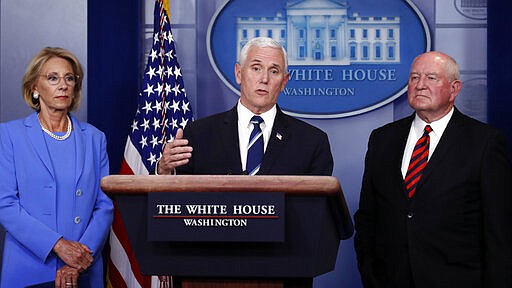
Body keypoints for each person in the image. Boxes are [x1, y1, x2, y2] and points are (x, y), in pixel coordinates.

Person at [354, 51, 512, 288]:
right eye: (414, 78)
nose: (420, 85)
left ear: (454, 89)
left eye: (431, 78)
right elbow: (368, 216)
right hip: (390, 279)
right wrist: (370, 272)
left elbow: (498, 229)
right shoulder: (382, 139)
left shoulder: (484, 142)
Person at [0, 47, 113, 288]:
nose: (63, 85)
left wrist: (77, 261)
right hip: (29, 266)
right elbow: (5, 204)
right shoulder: (9, 135)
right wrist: (59, 246)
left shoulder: (95, 138)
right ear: (34, 88)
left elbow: (104, 205)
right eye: (52, 78)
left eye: (69, 78)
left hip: (84, 267)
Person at [157, 37, 333, 176]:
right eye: (256, 68)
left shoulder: (312, 142)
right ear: (239, 73)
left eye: (274, 71)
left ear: (284, 82)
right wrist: (164, 170)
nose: (264, 79)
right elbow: (173, 204)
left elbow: (316, 214)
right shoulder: (198, 135)